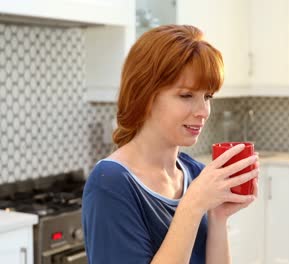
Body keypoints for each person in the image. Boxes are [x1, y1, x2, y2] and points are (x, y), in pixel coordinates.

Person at [81, 24, 259, 264]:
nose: (203, 111)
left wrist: (218, 217)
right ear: (144, 96)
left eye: (207, 96)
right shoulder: (110, 183)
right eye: (186, 96)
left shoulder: (195, 173)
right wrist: (193, 206)